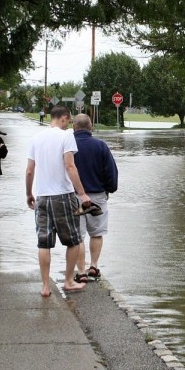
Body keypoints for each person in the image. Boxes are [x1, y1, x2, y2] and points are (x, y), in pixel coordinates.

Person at [25, 106, 93, 297]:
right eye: (69, 120)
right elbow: (70, 166)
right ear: (63, 118)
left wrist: (29, 193)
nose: (69, 123)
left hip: (42, 197)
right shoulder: (66, 136)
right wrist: (82, 194)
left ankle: (45, 286)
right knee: (73, 240)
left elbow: (30, 170)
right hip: (63, 196)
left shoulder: (36, 138)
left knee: (44, 243)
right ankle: (69, 281)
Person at [70, 113, 118, 283]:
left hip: (74, 196)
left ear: (73, 127)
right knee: (97, 233)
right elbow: (111, 172)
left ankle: (81, 271)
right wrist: (110, 189)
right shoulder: (101, 146)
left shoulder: (68, 146)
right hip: (98, 196)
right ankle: (94, 266)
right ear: (91, 127)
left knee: (78, 236)